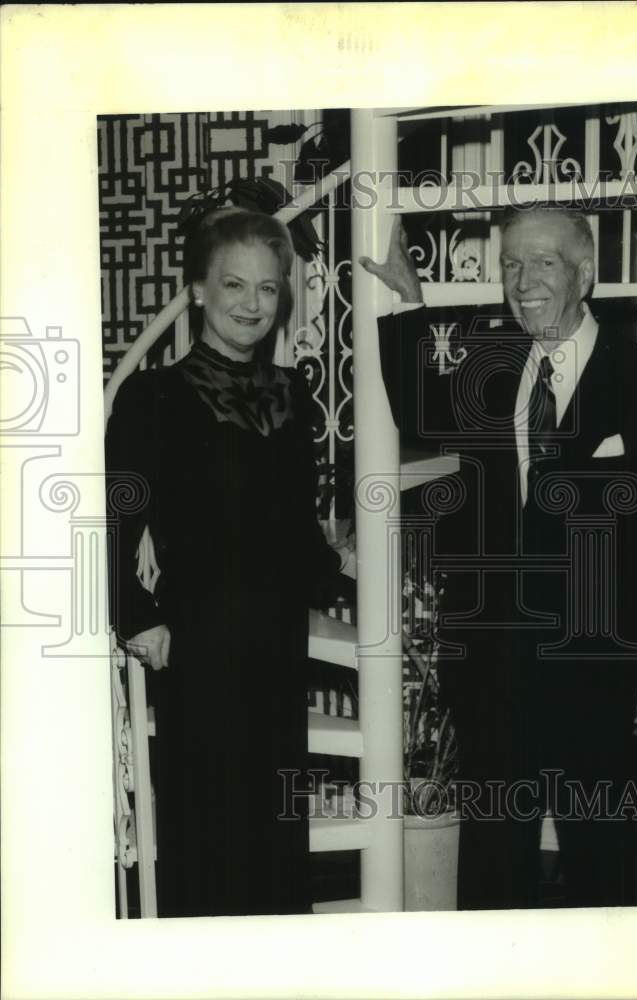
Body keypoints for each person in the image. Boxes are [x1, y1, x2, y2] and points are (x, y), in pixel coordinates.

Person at [363, 208, 637, 908]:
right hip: (496, 664)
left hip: (604, 669)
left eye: (543, 262)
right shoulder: (491, 371)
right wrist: (408, 302)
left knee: (601, 863)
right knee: (492, 863)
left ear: (587, 274)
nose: (523, 281)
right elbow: (419, 407)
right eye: (511, 265)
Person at [106, 208, 351, 917]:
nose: (251, 304)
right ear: (197, 293)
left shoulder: (292, 394)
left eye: (268, 289)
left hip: (277, 638)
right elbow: (118, 520)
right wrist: (136, 615)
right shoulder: (151, 398)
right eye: (234, 285)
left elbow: (293, 518)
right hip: (197, 638)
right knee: (206, 825)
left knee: (276, 820)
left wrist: (329, 566)